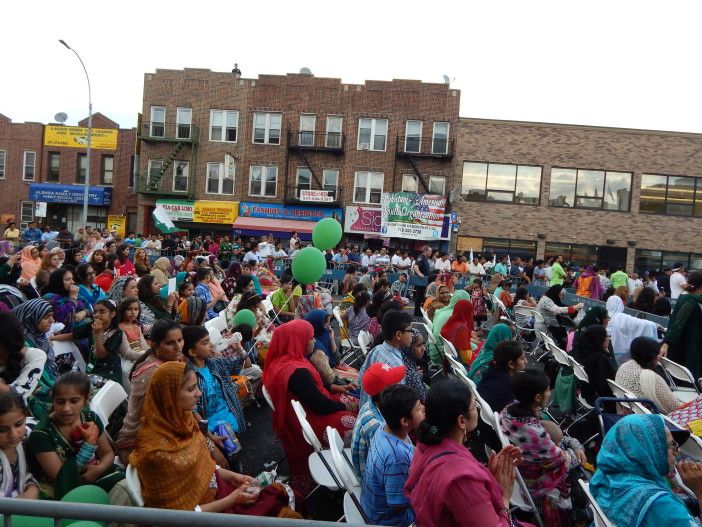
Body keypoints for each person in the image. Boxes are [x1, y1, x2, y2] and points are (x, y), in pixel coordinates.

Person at [128, 362, 294, 515]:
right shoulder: (155, 453)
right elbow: (177, 517)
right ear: (168, 397)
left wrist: (232, 476)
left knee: (280, 495)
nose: (199, 393)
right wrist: (231, 500)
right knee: (282, 511)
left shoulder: (183, 420)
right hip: (208, 515)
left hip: (218, 495)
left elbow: (202, 466)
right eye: (191, 389)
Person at [405, 378, 525, 527]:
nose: (478, 410)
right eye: (475, 406)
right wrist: (505, 496)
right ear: (462, 421)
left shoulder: (425, 443)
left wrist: (487, 476)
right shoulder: (461, 480)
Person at [262, 320, 357, 492]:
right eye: (310, 338)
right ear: (297, 340)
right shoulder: (297, 371)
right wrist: (344, 407)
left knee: (352, 401)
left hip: (311, 409)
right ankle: (359, 465)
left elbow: (313, 390)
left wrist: (336, 388)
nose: (313, 341)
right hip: (315, 418)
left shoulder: (286, 361)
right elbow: (320, 405)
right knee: (358, 420)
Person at [499, 369, 585, 526]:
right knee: (580, 477)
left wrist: (569, 442)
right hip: (534, 482)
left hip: (519, 473)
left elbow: (551, 441)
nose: (549, 393)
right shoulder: (534, 433)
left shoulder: (507, 412)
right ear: (537, 398)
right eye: (547, 390)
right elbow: (567, 460)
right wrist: (577, 446)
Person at [590, 413, 702, 527]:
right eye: (672, 445)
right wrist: (700, 490)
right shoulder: (660, 504)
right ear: (648, 450)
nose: (677, 451)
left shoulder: (605, 476)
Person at [28, 372, 124, 499]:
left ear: (86, 399)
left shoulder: (90, 417)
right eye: (60, 401)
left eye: (74, 401)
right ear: (53, 400)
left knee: (128, 486)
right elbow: (62, 478)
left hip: (97, 475)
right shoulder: (41, 434)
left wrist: (99, 469)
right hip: (64, 490)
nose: (66, 408)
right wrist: (88, 446)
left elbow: (107, 454)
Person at [114, 320, 184, 463]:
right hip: (138, 444)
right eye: (170, 343)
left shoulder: (168, 362)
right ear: (156, 346)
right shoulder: (157, 373)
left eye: (180, 340)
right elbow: (164, 419)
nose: (178, 347)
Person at [361, 384, 424, 526]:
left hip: (370, 505)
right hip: (387, 520)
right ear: (405, 421)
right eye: (419, 409)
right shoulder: (397, 457)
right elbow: (397, 503)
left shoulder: (383, 429)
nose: (423, 410)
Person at [183, 326, 246, 439]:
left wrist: (238, 348)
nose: (212, 345)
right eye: (205, 342)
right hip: (214, 430)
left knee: (237, 448)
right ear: (192, 352)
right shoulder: (189, 375)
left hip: (232, 418)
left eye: (209, 340)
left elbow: (240, 363)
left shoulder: (216, 363)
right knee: (228, 453)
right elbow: (194, 409)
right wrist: (208, 434)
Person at [351, 362, 405, 478]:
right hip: (374, 483)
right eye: (395, 383)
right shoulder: (377, 425)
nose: (400, 385)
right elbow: (393, 462)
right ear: (385, 391)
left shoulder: (373, 404)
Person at [74, 299, 143, 387]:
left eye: (102, 311)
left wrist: (98, 334)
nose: (97, 315)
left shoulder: (117, 332)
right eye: (95, 312)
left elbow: (101, 354)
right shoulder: (92, 326)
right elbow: (73, 335)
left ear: (112, 314)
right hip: (92, 368)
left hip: (109, 372)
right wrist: (51, 338)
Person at [358, 310, 413, 407]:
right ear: (398, 335)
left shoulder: (377, 349)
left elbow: (360, 378)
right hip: (383, 418)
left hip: (366, 407)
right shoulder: (396, 366)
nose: (412, 334)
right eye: (410, 331)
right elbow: (398, 404)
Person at [661, 270, 702, 379]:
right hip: (689, 346)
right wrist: (666, 343)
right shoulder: (691, 301)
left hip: (685, 344)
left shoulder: (685, 297)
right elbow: (678, 323)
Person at [0, 389, 39, 498]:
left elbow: (26, 475)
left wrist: (32, 487)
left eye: (18, 424)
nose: (13, 434)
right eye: (2, 430)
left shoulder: (27, 437)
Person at [606, 293, 658, 365]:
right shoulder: (621, 317)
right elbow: (645, 325)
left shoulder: (605, 318)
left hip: (612, 359)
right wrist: (655, 325)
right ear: (620, 304)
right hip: (625, 360)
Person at [477, 341, 527, 414]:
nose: (526, 361)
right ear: (511, 364)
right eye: (522, 359)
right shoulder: (510, 387)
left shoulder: (491, 371)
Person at [570, 324, 615, 404]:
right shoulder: (600, 359)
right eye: (607, 335)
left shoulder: (578, 352)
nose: (608, 338)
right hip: (604, 401)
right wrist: (607, 353)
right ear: (599, 339)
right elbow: (612, 381)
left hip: (586, 393)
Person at [42, 268, 89, 338]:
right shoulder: (49, 297)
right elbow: (64, 318)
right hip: (64, 335)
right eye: (67, 280)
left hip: (83, 331)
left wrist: (84, 312)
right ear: (58, 282)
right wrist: (73, 298)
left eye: (72, 279)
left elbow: (90, 307)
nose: (72, 282)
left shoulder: (75, 294)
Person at [535, 285, 583, 349]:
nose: (561, 297)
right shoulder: (546, 301)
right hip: (546, 327)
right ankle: (563, 352)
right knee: (563, 335)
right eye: (560, 295)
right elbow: (558, 310)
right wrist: (575, 307)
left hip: (545, 323)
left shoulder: (546, 298)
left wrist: (572, 309)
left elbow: (558, 307)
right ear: (556, 293)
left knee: (561, 330)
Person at [430, 289, 471, 364]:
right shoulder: (455, 314)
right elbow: (462, 340)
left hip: (434, 349)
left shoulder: (443, 310)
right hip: (443, 354)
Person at [440, 299, 475, 365]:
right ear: (466, 312)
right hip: (460, 365)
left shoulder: (451, 321)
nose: (472, 314)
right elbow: (467, 358)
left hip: (450, 363)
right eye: (470, 312)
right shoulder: (461, 329)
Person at [400, 329, 427, 403]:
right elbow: (424, 401)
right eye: (419, 346)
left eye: (423, 344)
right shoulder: (411, 374)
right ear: (408, 348)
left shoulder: (405, 360)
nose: (424, 349)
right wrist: (416, 376)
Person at [413, 246, 432, 317]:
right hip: (421, 281)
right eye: (430, 251)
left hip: (424, 281)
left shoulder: (425, 259)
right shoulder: (421, 258)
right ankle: (417, 312)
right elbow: (415, 266)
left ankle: (419, 311)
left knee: (421, 297)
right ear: (425, 251)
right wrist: (419, 273)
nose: (431, 253)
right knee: (419, 297)